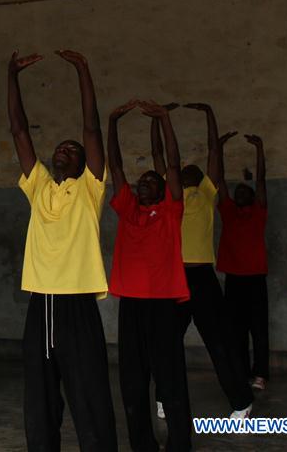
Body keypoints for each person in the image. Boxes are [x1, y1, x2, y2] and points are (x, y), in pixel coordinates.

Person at [7, 49, 117, 451]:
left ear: (86, 163)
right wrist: (11, 77)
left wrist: (84, 71)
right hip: (41, 306)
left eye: (72, 150)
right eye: (60, 148)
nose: (63, 151)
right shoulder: (39, 188)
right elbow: (19, 132)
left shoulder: (90, 190)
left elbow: (91, 126)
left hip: (77, 308)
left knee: (89, 398)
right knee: (39, 402)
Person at [152, 103, 253, 420]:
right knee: (166, 341)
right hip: (175, 279)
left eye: (192, 170)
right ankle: (165, 397)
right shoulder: (172, 198)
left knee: (219, 343)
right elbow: (159, 158)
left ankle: (241, 401)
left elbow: (213, 152)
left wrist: (210, 112)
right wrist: (157, 120)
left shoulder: (208, 193)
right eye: (181, 171)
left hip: (203, 280)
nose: (187, 170)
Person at [109, 100, 192, 451]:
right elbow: (114, 166)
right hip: (131, 306)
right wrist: (111, 122)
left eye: (150, 181)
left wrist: (164, 119)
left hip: (162, 307)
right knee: (132, 380)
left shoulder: (171, 212)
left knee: (169, 378)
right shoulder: (128, 210)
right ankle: (142, 442)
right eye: (140, 181)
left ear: (162, 190)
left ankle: (179, 443)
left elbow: (172, 164)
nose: (142, 184)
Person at [215, 132, 270, 391]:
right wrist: (218, 149)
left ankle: (260, 374)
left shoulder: (258, 213)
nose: (237, 195)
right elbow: (220, 181)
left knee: (258, 330)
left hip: (256, 280)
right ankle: (241, 371)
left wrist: (259, 149)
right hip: (234, 280)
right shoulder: (228, 212)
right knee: (235, 331)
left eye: (242, 192)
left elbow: (260, 180)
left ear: (251, 197)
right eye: (236, 193)